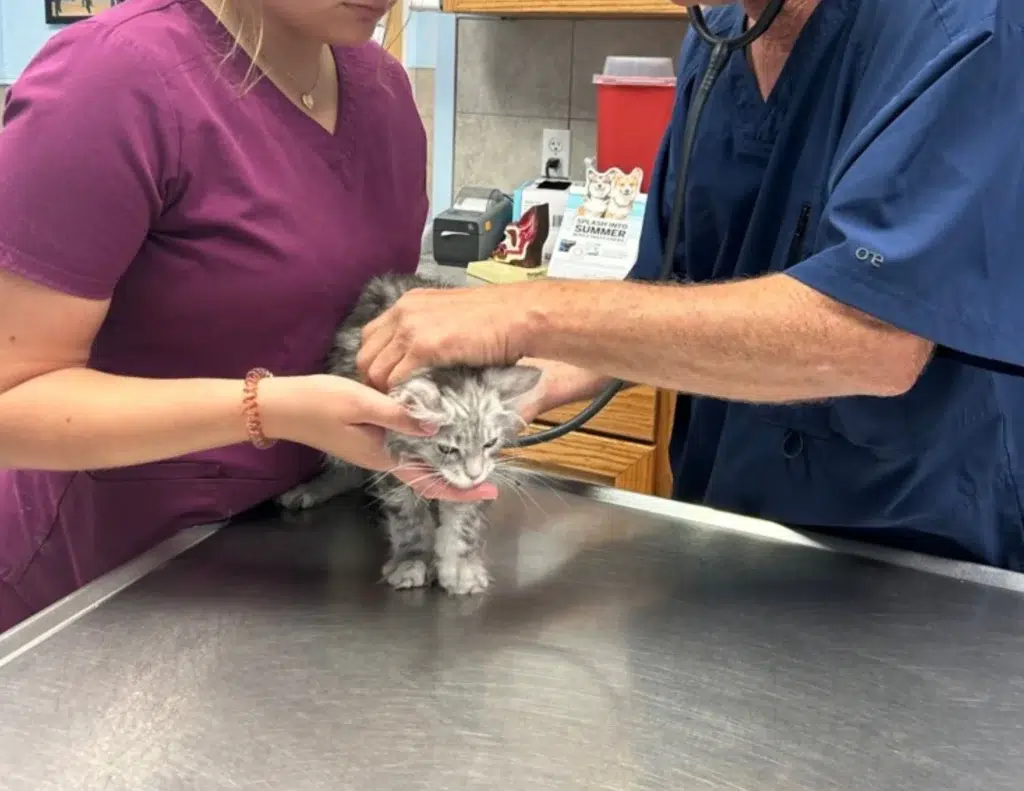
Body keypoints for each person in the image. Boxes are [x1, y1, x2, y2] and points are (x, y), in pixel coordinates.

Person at [357, 0, 1024, 571]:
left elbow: (873, 336)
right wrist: (502, 393)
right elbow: (663, 296)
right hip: (726, 527)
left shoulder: (956, 25)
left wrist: (526, 312)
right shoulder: (719, 40)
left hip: (912, 560)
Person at [0, 0, 498, 632]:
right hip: (114, 587)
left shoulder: (383, 89)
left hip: (302, 557)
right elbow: (12, 403)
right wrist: (270, 409)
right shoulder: (110, 81)